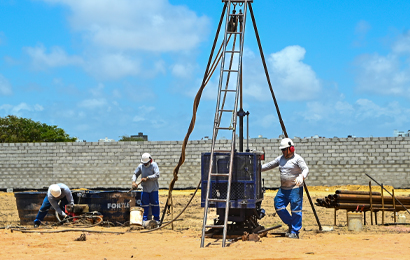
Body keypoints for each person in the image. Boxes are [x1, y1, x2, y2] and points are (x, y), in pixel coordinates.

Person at [262, 138, 309, 239]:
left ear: (291, 148)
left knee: (296, 210)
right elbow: (270, 165)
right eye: (282, 150)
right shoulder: (281, 159)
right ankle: (291, 224)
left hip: (295, 188)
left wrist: (301, 176)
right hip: (283, 189)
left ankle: (295, 231)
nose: (283, 152)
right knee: (278, 205)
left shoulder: (297, 159)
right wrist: (257, 168)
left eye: (284, 149)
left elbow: (306, 169)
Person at [132, 152, 160, 226]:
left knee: (155, 204)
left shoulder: (154, 165)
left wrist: (148, 178)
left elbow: (157, 175)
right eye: (144, 163)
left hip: (154, 188)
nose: (145, 165)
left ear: (150, 161)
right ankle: (144, 221)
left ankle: (157, 220)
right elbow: (135, 174)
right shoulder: (141, 166)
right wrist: (133, 182)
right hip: (145, 189)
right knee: (144, 205)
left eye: (146, 163)